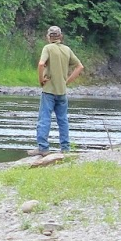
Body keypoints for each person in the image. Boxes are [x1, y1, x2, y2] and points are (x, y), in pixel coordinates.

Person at [35, 25, 83, 154]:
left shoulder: (48, 48)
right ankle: (65, 148)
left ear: (48, 37)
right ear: (61, 36)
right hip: (62, 92)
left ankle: (43, 148)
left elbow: (40, 64)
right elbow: (79, 66)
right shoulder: (67, 49)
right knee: (63, 120)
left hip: (49, 90)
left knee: (44, 119)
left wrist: (41, 80)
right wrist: (67, 81)